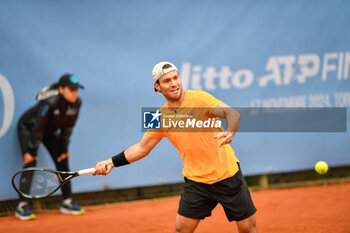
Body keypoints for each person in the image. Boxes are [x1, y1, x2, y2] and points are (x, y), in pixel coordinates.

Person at [93, 62, 258, 233]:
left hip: (227, 176)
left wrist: (230, 130)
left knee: (247, 229)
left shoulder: (200, 98)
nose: (173, 84)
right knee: (181, 230)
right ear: (157, 87)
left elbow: (232, 113)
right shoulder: (158, 116)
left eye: (175, 78)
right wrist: (111, 162)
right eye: (166, 81)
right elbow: (142, 148)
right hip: (197, 182)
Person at [15, 74, 84, 220]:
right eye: (71, 90)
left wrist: (63, 150)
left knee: (62, 158)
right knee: (31, 162)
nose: (75, 93)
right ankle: (22, 206)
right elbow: (38, 127)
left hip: (48, 131)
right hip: (29, 128)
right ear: (61, 89)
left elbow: (68, 129)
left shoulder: (77, 103)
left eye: (76, 90)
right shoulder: (51, 101)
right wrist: (31, 151)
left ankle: (67, 202)